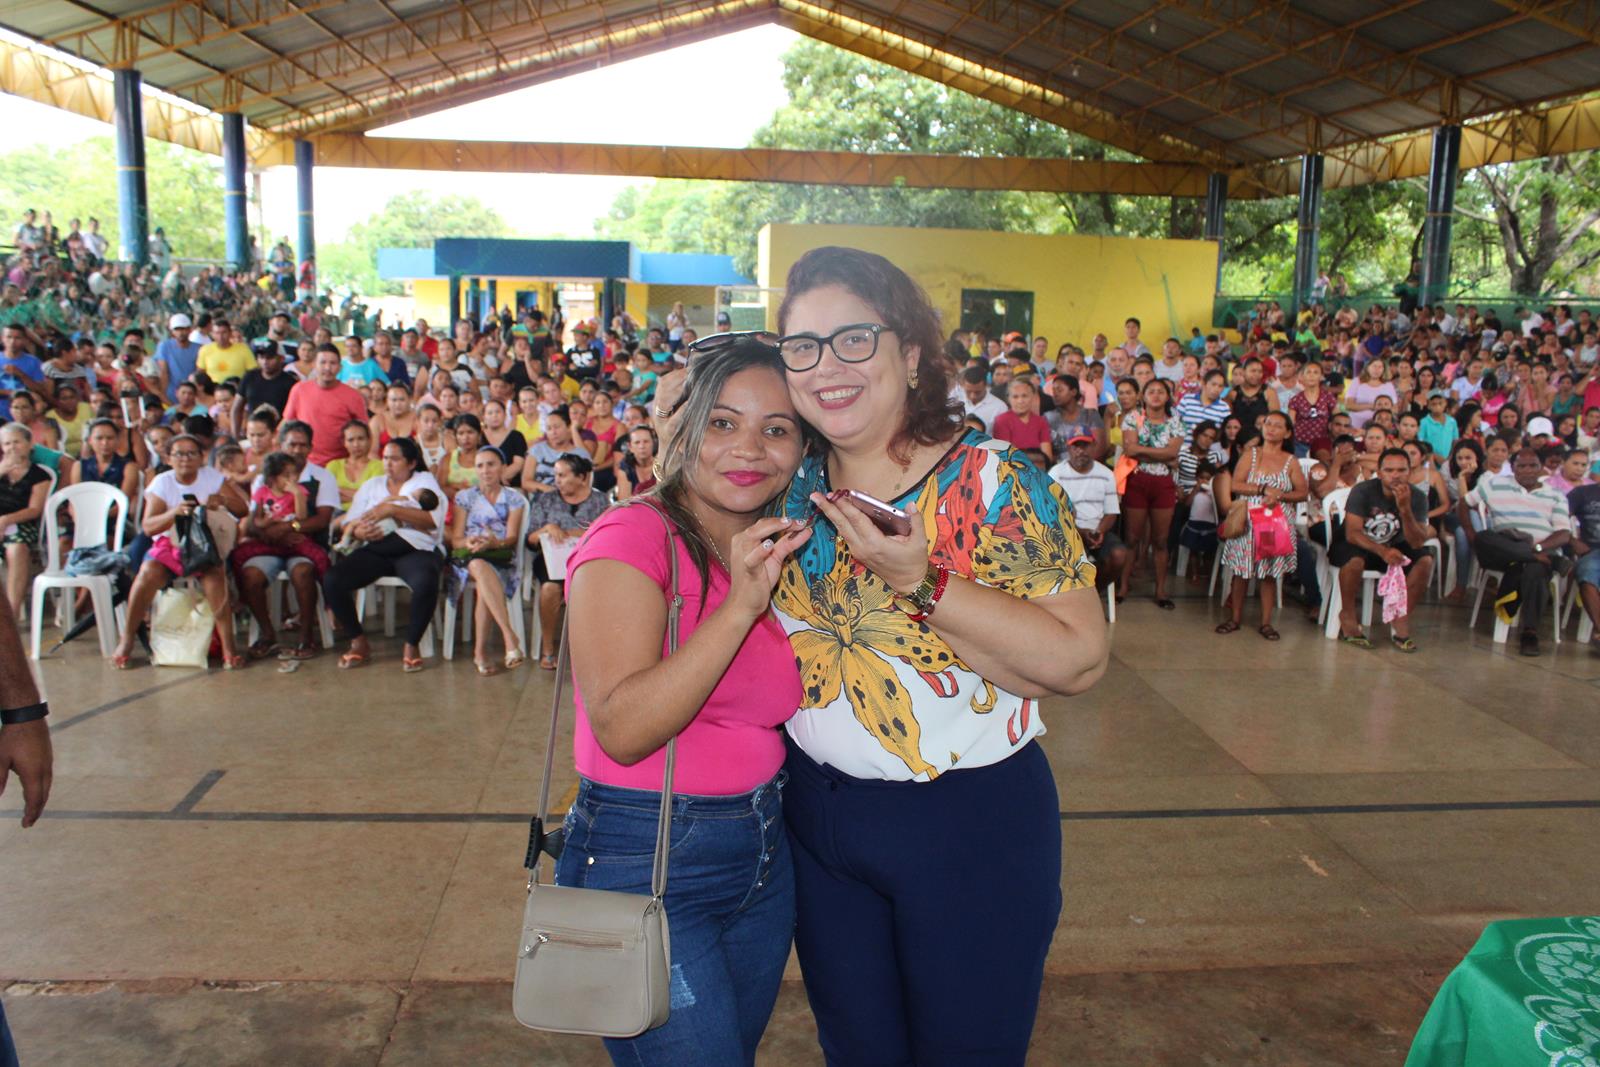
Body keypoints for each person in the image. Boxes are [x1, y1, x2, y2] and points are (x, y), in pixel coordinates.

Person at [771, 246, 1107, 1065]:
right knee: (857, 1050)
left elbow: (1079, 659)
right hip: (818, 818)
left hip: (969, 824)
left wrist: (922, 580)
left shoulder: (993, 480)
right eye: (803, 347)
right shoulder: (785, 481)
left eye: (854, 339)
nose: (827, 367)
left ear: (910, 352)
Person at [555, 339, 811, 1066]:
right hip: (648, 858)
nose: (750, 449)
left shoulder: (763, 546)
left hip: (763, 855)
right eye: (724, 423)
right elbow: (622, 726)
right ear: (683, 428)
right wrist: (738, 608)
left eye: (778, 428)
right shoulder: (632, 536)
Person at [110, 433, 249, 669]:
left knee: (215, 577)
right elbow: (148, 526)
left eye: (191, 453)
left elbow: (242, 509)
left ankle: (228, 647)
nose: (185, 459)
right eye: (179, 454)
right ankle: (127, 639)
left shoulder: (211, 477)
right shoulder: (163, 482)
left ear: (201, 457)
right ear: (169, 457)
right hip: (170, 545)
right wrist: (173, 512)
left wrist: (223, 500)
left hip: (204, 545)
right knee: (146, 574)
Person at [323, 437, 447, 672]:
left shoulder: (423, 483)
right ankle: (358, 641)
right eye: (385, 458)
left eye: (395, 459)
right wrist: (360, 530)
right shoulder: (373, 485)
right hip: (379, 549)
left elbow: (431, 522)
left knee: (426, 581)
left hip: (417, 549)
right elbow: (351, 521)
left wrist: (392, 509)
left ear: (411, 463)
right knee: (333, 579)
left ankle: (412, 645)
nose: (388, 463)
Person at [1460, 447, 1573, 656]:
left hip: (1541, 549)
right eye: (1522, 466)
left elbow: (1564, 534)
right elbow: (1464, 503)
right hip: (1503, 548)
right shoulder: (1494, 484)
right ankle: (1540, 559)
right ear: (1512, 468)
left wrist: (1537, 549)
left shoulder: (1555, 495)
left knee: (1534, 568)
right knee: (1483, 537)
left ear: (1541, 468)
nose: (1528, 471)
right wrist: (1469, 532)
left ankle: (1529, 632)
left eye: (1533, 466)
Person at [1214, 411, 1307, 640]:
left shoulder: (1290, 461)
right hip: (1249, 518)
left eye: (1277, 425)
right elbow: (1236, 484)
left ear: (1287, 433)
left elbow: (1303, 492)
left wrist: (1280, 496)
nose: (1271, 428)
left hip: (1275, 522)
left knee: (1269, 574)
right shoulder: (1252, 454)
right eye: (1268, 423)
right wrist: (1263, 490)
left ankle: (1266, 623)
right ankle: (1234, 618)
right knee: (1241, 571)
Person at [444, 446, 527, 674]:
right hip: (468, 557)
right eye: (480, 465)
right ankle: (509, 637)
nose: (485, 470)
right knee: (478, 564)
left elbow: (511, 538)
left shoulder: (514, 499)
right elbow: (456, 540)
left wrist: (492, 543)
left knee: (483, 578)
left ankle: (480, 652)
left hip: (499, 554)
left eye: (491, 464)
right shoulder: (464, 497)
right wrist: (470, 542)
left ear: (502, 467)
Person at [527, 453, 609, 668]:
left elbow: (609, 536)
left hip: (588, 563)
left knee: (596, 588)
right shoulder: (546, 499)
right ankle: (548, 649)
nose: (557, 480)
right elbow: (530, 539)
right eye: (556, 475)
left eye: (563, 475)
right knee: (549, 589)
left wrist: (577, 534)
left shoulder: (600, 501)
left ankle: (592, 650)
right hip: (551, 562)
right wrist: (547, 529)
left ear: (582, 477)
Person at [1120, 377, 1185, 609]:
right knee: (1132, 538)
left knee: (1160, 540)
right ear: (1143, 396)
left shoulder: (1175, 421)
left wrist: (1143, 451)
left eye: (1161, 391)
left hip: (1163, 483)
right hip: (1137, 481)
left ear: (1168, 396)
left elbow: (1173, 452)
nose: (1156, 395)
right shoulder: (1132, 418)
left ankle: (1160, 590)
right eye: (1151, 391)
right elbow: (1130, 449)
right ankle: (1123, 586)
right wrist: (1163, 453)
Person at [1048, 434, 1127, 590]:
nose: (1080, 451)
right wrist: (1081, 532)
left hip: (1097, 529)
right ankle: (1083, 595)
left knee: (1119, 555)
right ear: (1068, 449)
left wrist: (1099, 531)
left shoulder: (1106, 474)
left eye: (1085, 446)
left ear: (1094, 446)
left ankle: (1094, 591)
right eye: (1075, 446)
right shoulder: (1056, 473)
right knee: (1072, 557)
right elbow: (1053, 515)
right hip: (1067, 530)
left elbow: (1111, 512)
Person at [283, 346, 369, 466]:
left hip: (341, 465)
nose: (327, 368)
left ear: (340, 367)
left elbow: (364, 432)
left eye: (333, 363)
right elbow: (287, 424)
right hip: (304, 462)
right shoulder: (299, 390)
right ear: (313, 365)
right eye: (323, 362)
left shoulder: (354, 396)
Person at [0, 425, 53, 621]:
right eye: (7, 443)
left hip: (21, 524)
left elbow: (34, 509)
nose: (12, 447)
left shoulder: (39, 475)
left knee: (16, 549)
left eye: (17, 442)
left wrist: (5, 520)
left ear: (30, 445)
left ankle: (11, 616)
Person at [521, 405, 586, 495]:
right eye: (549, 428)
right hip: (542, 500)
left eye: (557, 427)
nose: (553, 432)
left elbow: (584, 484)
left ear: (568, 427)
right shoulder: (536, 450)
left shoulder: (581, 454)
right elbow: (526, 482)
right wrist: (551, 491)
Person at [1568, 472, 1600, 650]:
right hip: (1593, 551)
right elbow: (1558, 518)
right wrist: (1573, 541)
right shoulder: (1582, 493)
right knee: (1587, 572)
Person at [325, 421, 383, 507]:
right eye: (351, 440)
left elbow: (376, 497)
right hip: (336, 514)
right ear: (344, 443)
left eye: (361, 439)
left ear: (369, 440)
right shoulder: (333, 466)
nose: (356, 444)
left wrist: (339, 490)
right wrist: (363, 496)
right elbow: (326, 496)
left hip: (366, 515)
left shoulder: (379, 466)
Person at [992, 378, 1053, 459]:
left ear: (1033, 397)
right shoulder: (1002, 420)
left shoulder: (1041, 421)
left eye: (1024, 396)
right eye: (1015, 397)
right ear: (1008, 399)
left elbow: (1047, 456)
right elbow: (1005, 456)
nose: (1020, 401)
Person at [196, 319, 252, 384]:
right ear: (212, 334)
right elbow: (200, 373)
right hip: (212, 390)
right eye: (217, 333)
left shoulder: (244, 349)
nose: (221, 336)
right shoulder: (205, 350)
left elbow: (252, 372)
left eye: (224, 332)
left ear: (230, 333)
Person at [616, 424, 659, 500]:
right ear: (630, 447)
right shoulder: (625, 468)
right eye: (637, 442)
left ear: (653, 444)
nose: (642, 446)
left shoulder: (662, 465)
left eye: (646, 441)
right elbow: (624, 501)